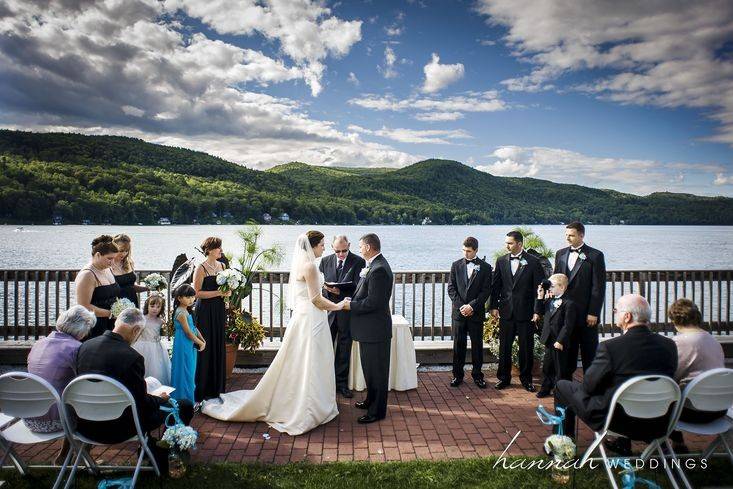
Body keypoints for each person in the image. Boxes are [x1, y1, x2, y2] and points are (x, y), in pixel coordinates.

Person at [202, 231, 346, 435]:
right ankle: (309, 405)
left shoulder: (304, 264)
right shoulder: (311, 266)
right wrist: (339, 306)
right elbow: (316, 299)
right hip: (313, 317)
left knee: (302, 359)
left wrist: (326, 288)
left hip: (304, 317)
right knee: (312, 359)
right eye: (322, 245)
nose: (324, 248)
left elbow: (310, 290)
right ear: (312, 246)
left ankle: (306, 398)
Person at [553, 294, 677, 444]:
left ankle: (562, 443)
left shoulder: (610, 348)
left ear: (627, 317)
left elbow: (588, 387)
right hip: (659, 421)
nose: (614, 313)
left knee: (561, 386)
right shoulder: (669, 345)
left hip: (618, 420)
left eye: (615, 310)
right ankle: (624, 445)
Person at [75, 308, 194, 444]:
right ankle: (168, 449)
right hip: (121, 428)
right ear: (136, 330)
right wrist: (159, 399)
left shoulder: (85, 346)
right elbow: (141, 402)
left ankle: (151, 448)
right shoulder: (132, 357)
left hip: (84, 426)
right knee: (184, 405)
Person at [25, 305, 95, 464]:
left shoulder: (39, 343)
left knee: (68, 400)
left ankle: (64, 457)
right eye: (88, 329)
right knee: (92, 406)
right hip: (56, 421)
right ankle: (84, 460)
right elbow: (85, 382)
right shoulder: (76, 348)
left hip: (28, 414)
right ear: (81, 328)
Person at [343, 233, 394, 424]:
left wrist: (351, 306)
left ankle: (377, 412)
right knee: (369, 370)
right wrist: (352, 299)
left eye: (360, 246)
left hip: (375, 331)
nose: (358, 249)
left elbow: (374, 302)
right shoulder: (373, 266)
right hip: (369, 330)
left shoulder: (379, 269)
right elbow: (367, 294)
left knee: (378, 373)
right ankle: (370, 400)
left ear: (368, 247)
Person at [490, 231, 544, 392]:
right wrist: (493, 306)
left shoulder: (533, 262)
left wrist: (537, 311)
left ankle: (526, 380)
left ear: (519, 244)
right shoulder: (501, 261)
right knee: (504, 347)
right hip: (506, 311)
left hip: (526, 312)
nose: (507, 246)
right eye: (506, 243)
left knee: (526, 347)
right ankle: (503, 378)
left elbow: (539, 288)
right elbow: (496, 286)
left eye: (510, 243)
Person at [554, 222, 606, 373]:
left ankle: (591, 387)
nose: (568, 238)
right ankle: (566, 387)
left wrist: (593, 312)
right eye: (566, 235)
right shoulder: (560, 253)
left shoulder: (595, 256)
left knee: (589, 353)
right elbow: (557, 281)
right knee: (567, 353)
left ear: (581, 235)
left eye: (571, 235)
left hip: (586, 314)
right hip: (566, 314)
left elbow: (598, 287)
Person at [319, 235, 366, 398]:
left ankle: (341, 384)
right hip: (330, 312)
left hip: (347, 312)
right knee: (326, 347)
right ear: (332, 247)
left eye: (344, 251)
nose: (340, 254)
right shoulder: (325, 261)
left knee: (344, 349)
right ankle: (325, 383)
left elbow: (359, 288)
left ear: (349, 246)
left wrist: (341, 291)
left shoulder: (359, 261)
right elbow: (321, 287)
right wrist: (328, 291)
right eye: (337, 251)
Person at [447, 237, 493, 388]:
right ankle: (457, 375)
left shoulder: (486, 267)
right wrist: (462, 306)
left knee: (477, 346)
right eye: (464, 250)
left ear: (476, 250)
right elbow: (451, 289)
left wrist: (472, 306)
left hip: (476, 313)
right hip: (459, 313)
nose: (466, 254)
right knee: (458, 345)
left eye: (469, 251)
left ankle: (478, 375)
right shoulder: (455, 265)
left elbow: (486, 291)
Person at [193, 237, 229, 402]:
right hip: (205, 310)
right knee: (205, 344)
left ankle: (217, 387)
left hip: (219, 309)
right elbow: (197, 293)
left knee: (217, 342)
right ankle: (203, 388)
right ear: (209, 250)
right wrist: (218, 293)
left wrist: (227, 293)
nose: (220, 250)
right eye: (218, 248)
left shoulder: (222, 266)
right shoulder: (200, 268)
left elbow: (225, 288)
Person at [535, 274, 578, 398]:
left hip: (560, 340)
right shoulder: (550, 300)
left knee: (561, 367)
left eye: (552, 286)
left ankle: (562, 390)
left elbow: (568, 325)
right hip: (549, 338)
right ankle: (545, 388)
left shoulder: (569, 303)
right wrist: (540, 296)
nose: (550, 288)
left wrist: (560, 340)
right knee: (547, 366)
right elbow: (539, 311)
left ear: (562, 287)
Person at [75, 235, 121, 338]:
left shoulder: (107, 269)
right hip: (94, 325)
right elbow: (83, 306)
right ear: (98, 255)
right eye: (109, 258)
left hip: (110, 324)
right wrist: (110, 314)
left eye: (114, 258)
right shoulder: (87, 275)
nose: (112, 262)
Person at [170, 285, 205, 403]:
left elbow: (194, 328)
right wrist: (201, 343)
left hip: (189, 345)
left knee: (189, 370)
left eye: (193, 297)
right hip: (183, 345)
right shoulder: (181, 313)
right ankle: (184, 400)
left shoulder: (186, 310)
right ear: (179, 298)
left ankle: (187, 399)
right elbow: (188, 333)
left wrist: (202, 340)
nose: (191, 300)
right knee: (185, 371)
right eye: (188, 297)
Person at [132, 293, 172, 385]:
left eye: (158, 307)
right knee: (144, 368)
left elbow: (162, 333)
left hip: (156, 348)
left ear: (161, 308)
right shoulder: (142, 319)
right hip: (143, 346)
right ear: (147, 306)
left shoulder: (160, 321)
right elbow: (137, 334)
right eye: (152, 306)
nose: (155, 309)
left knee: (157, 369)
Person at [111, 234, 148, 308]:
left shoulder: (129, 263)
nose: (124, 254)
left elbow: (131, 287)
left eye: (126, 251)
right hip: (117, 306)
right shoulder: (107, 266)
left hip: (133, 302)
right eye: (121, 250)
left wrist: (148, 288)